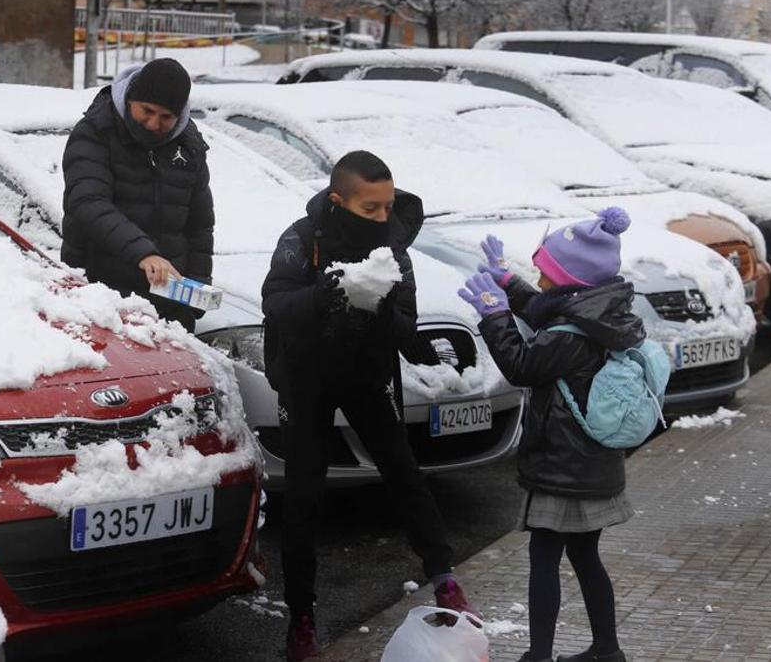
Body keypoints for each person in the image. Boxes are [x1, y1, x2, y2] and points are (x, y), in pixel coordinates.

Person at [262, 150, 475, 661]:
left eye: (388, 206)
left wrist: (389, 318)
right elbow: (275, 303)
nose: (382, 217)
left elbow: (405, 325)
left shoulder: (393, 246)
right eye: (370, 208)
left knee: (403, 471)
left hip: (366, 374)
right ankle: (302, 618)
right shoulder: (302, 239)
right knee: (305, 498)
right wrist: (321, 297)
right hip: (307, 378)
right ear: (339, 201)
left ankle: (444, 578)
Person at [457, 207, 639, 662]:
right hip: (589, 462)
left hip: (562, 465)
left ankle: (539, 656)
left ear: (569, 282)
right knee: (585, 557)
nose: (538, 281)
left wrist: (495, 316)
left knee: (543, 559)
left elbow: (522, 365)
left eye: (545, 275)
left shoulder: (569, 335)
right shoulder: (595, 312)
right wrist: (508, 282)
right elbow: (547, 310)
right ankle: (606, 650)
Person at [61, 58, 213, 331]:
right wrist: (145, 253)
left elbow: (199, 225)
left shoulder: (189, 147)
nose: (154, 124)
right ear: (131, 98)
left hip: (168, 306)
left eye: (166, 117)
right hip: (101, 299)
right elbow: (88, 203)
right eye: (147, 111)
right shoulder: (96, 132)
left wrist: (196, 293)